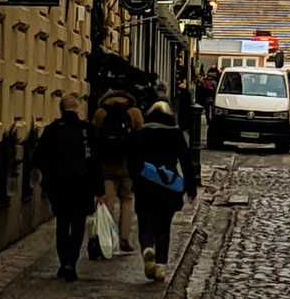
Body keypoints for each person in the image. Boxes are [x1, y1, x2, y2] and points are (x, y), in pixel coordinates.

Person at [33, 94, 103, 282]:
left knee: (62, 223)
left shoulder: (52, 130)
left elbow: (38, 157)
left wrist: (48, 177)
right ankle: (71, 261)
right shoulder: (87, 131)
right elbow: (96, 161)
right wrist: (99, 189)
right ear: (78, 109)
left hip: (59, 186)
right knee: (78, 223)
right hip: (83, 186)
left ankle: (64, 261)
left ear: (61, 109)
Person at [127, 100, 198, 283]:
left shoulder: (142, 132)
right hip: (167, 186)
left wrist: (135, 178)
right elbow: (186, 161)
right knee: (164, 226)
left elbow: (132, 159)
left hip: (145, 185)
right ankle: (160, 265)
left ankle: (147, 247)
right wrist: (190, 187)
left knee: (145, 220)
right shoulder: (175, 133)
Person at [91, 86, 144, 254]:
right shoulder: (134, 112)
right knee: (127, 200)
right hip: (127, 165)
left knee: (108, 202)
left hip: (106, 165)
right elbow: (141, 139)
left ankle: (107, 237)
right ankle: (124, 238)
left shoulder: (101, 113)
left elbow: (94, 138)